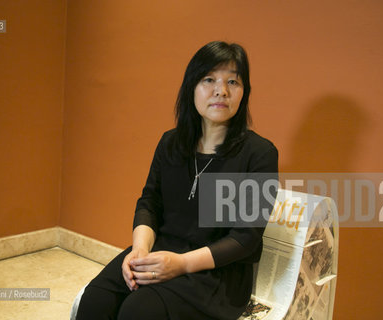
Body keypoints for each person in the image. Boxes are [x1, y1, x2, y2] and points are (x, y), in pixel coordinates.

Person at [76, 41, 278, 320]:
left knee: (138, 312)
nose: (222, 90)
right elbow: (150, 202)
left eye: (233, 81)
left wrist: (181, 264)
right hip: (161, 249)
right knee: (95, 301)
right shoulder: (171, 143)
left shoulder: (260, 154)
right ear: (191, 87)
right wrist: (139, 251)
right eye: (209, 80)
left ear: (244, 92)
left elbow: (246, 239)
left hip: (215, 273)